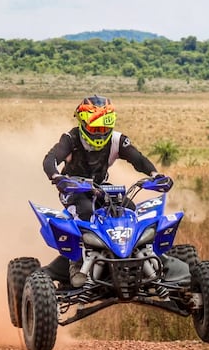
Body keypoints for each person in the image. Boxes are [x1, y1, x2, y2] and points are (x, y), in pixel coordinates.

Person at [42, 95, 170, 286]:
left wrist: (155, 174)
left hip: (101, 189)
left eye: (104, 128)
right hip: (73, 190)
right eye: (95, 128)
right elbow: (50, 159)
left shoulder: (117, 140)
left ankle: (144, 259)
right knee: (86, 211)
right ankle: (76, 264)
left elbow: (138, 159)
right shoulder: (71, 139)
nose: (100, 133)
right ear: (83, 124)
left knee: (128, 208)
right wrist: (57, 177)